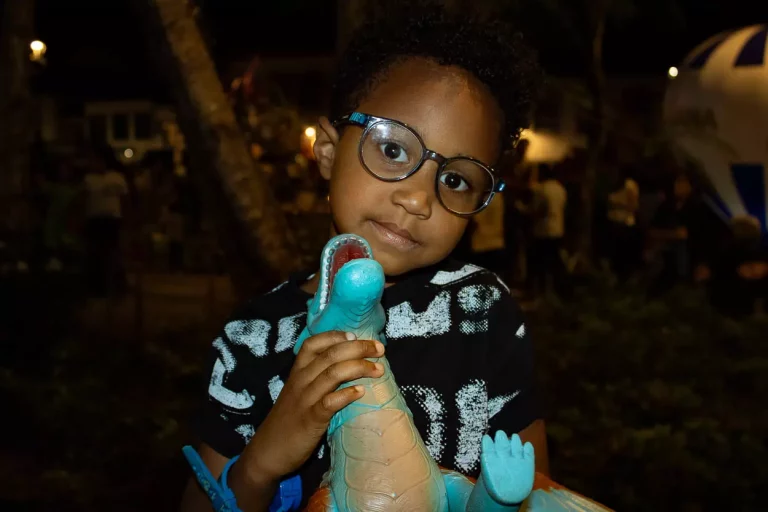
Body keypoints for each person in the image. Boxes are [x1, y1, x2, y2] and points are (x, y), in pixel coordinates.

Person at [181, 5, 548, 510]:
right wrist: (264, 460)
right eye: (393, 150)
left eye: (456, 179)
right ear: (328, 151)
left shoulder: (482, 310)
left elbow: (536, 493)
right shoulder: (250, 339)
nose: (418, 199)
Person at [83, 151, 129, 296]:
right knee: (96, 252)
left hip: (112, 219)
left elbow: (124, 199)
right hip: (94, 219)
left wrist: (126, 217)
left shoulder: (117, 178)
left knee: (112, 251)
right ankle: (99, 286)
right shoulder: (89, 180)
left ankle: (116, 285)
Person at [526, 164, 568, 298]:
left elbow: (536, 210)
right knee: (554, 261)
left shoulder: (542, 189)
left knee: (541, 263)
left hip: (543, 231)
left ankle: (542, 291)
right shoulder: (560, 188)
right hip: (558, 229)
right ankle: (556, 290)